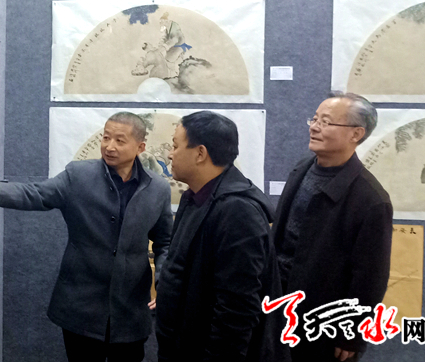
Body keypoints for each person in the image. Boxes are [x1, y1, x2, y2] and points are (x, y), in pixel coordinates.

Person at [0, 112, 173, 362]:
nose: (109, 146)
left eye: (119, 141)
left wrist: (164, 282)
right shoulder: (79, 175)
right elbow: (38, 193)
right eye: (106, 138)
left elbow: (165, 242)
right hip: (81, 304)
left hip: (131, 309)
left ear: (140, 147)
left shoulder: (158, 188)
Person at [272, 92, 392, 362]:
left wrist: (353, 334)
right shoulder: (301, 170)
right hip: (278, 305)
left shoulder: (371, 199)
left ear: (356, 134)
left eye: (326, 122)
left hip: (322, 318)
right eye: (314, 119)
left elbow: (371, 276)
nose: (314, 127)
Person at [155, 111, 281, 362]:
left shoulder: (237, 212)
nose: (170, 154)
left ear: (200, 153)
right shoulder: (195, 197)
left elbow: (236, 309)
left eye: (176, 146)